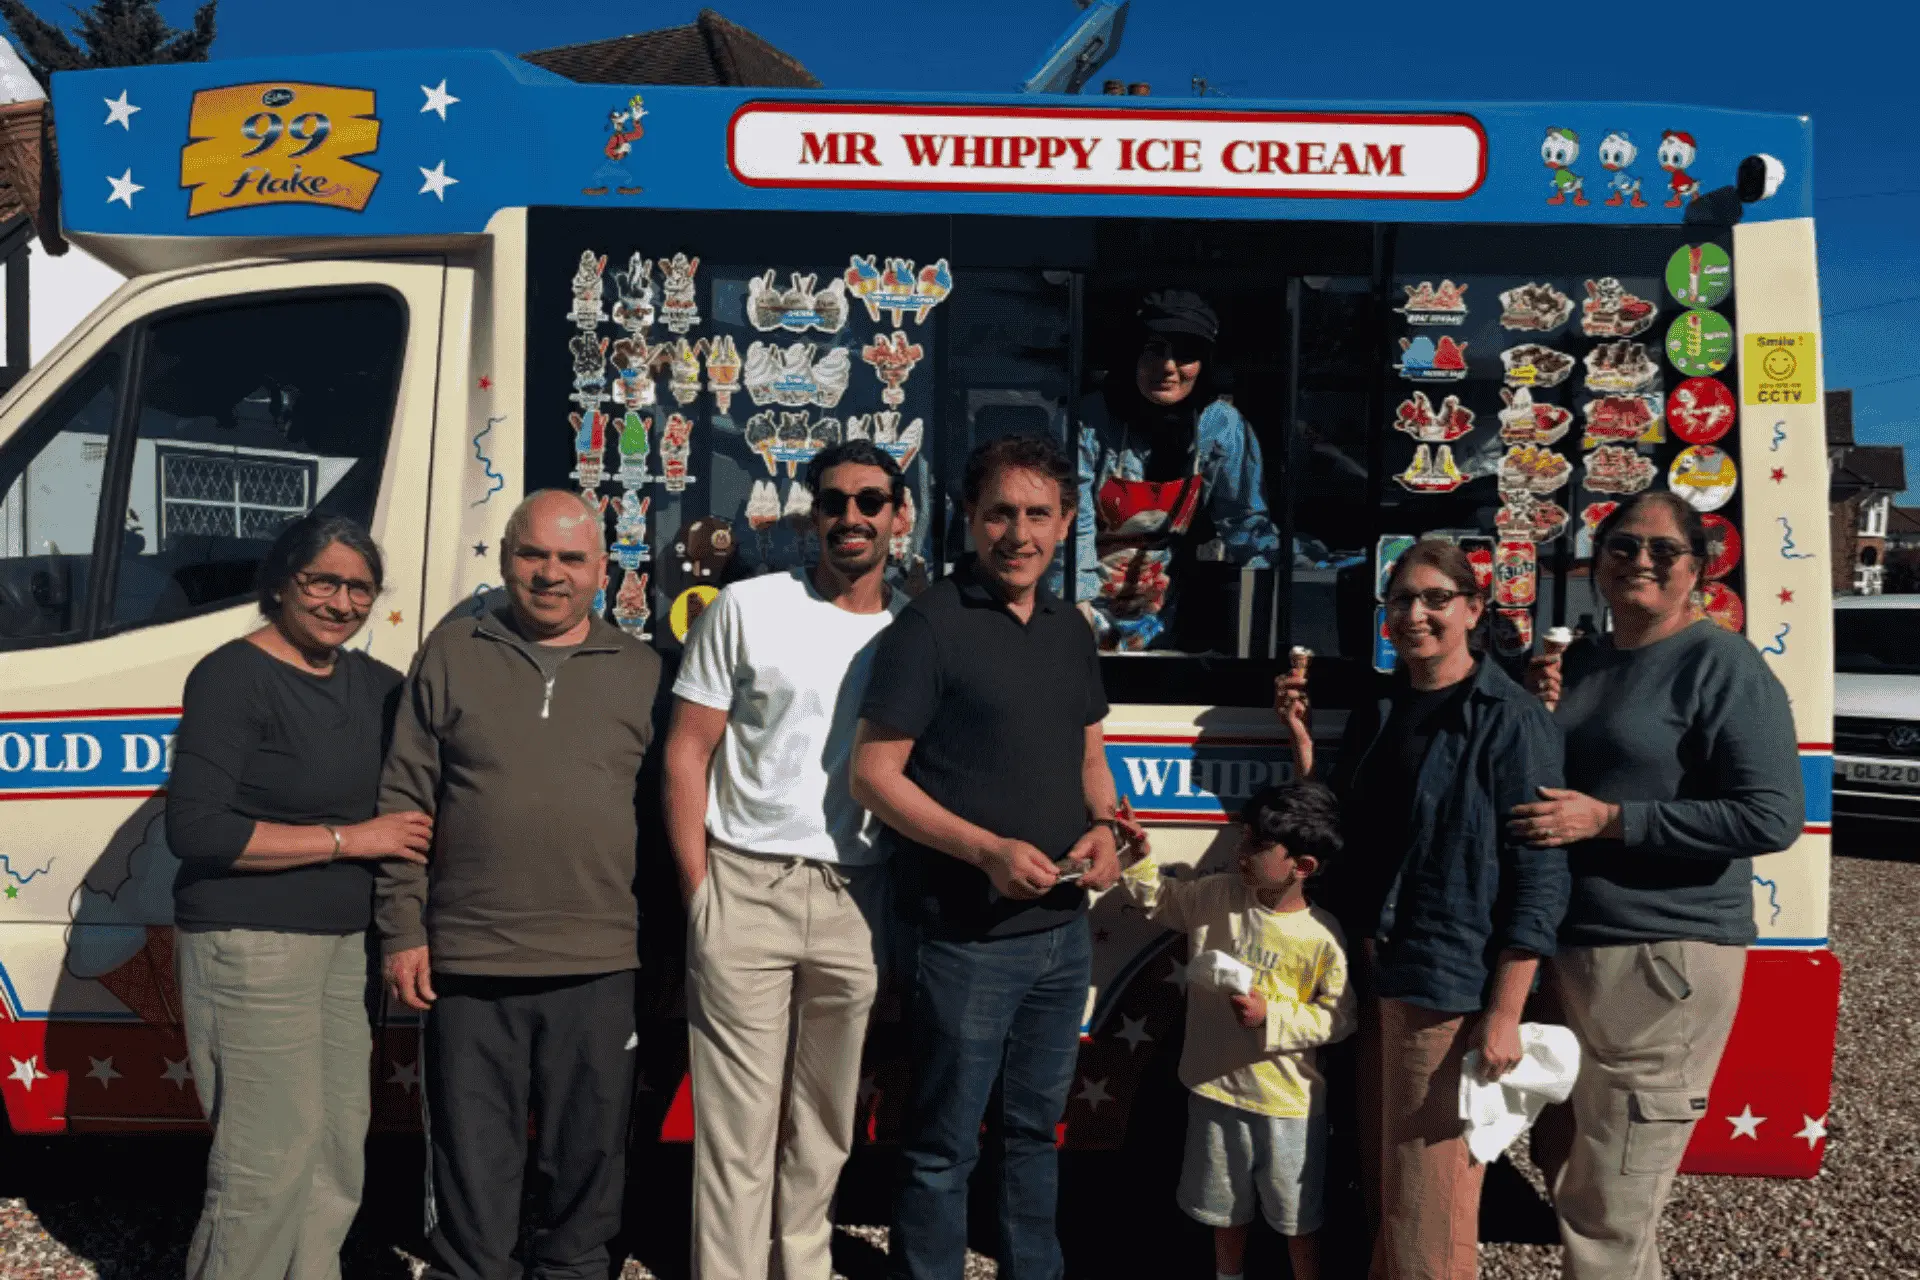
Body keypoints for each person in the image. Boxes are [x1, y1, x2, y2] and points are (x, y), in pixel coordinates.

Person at [853, 434, 1129, 1280]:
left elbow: (1091, 761)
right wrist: (986, 852)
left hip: (1059, 934)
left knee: (1032, 1135)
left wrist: (1109, 831)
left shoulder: (1069, 627)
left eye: (1038, 514)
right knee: (942, 1146)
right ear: (968, 519)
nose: (1019, 533)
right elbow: (873, 776)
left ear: (1067, 522)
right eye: (1000, 513)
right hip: (965, 940)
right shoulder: (930, 627)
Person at [377, 489, 663, 1280]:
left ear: (602, 571)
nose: (550, 574)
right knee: (473, 1162)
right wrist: (402, 928)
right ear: (504, 559)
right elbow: (405, 796)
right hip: (469, 961)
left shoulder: (642, 672)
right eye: (533, 555)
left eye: (572, 559)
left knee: (590, 1160)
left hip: (600, 963)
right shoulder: (451, 652)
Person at [1516, 491, 1802, 1280]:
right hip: (1574, 946)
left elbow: (1771, 817)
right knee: (1574, 1166)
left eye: (1663, 551)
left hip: (1661, 956)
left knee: (1609, 1201)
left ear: (1698, 572)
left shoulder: (1724, 664)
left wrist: (1611, 820)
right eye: (1621, 546)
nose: (1640, 560)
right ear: (1596, 561)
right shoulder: (1584, 662)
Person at [1278, 538, 1566, 1280]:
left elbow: (1539, 877)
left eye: (1436, 598)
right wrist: (1304, 745)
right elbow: (1344, 826)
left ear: (1474, 609)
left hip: (1447, 985)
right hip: (1377, 969)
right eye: (1400, 599)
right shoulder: (1384, 709)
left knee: (1430, 1210)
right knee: (1391, 1192)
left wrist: (1504, 1010)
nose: (1416, 614)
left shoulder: (1509, 718)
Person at [664, 440, 908, 1280]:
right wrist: (701, 894)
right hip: (745, 883)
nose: (852, 517)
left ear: (898, 517)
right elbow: (687, 753)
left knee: (824, 1126)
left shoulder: (915, 630)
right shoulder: (748, 607)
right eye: (834, 502)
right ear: (811, 517)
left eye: (871, 501)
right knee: (735, 1132)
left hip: (858, 897)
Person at [166, 513, 430, 1280]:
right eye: (324, 581)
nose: (342, 602)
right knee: (264, 1161)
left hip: (347, 947)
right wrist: (355, 839)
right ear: (282, 581)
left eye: (360, 588)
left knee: (335, 1153)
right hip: (251, 947)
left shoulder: (378, 687)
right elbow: (200, 830)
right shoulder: (231, 675)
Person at [1118, 782, 1355, 1280]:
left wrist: (1274, 1016)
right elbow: (1159, 901)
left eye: (1255, 845)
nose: (1239, 852)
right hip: (1214, 1089)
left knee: (1297, 1219)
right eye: (1243, 837)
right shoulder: (1216, 895)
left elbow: (1340, 1017)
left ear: (1302, 867)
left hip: (1288, 1104)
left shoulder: (1323, 937)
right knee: (1224, 1213)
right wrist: (1137, 857)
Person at [1074, 290, 1281, 652]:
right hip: (1081, 604)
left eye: (1186, 354)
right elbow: (1073, 522)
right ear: (1132, 354)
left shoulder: (1221, 426)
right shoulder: (1089, 419)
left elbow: (1246, 523)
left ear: (1205, 364)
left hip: (1159, 613)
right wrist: (1078, 609)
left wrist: (1274, 593)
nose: (1168, 367)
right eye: (1154, 350)